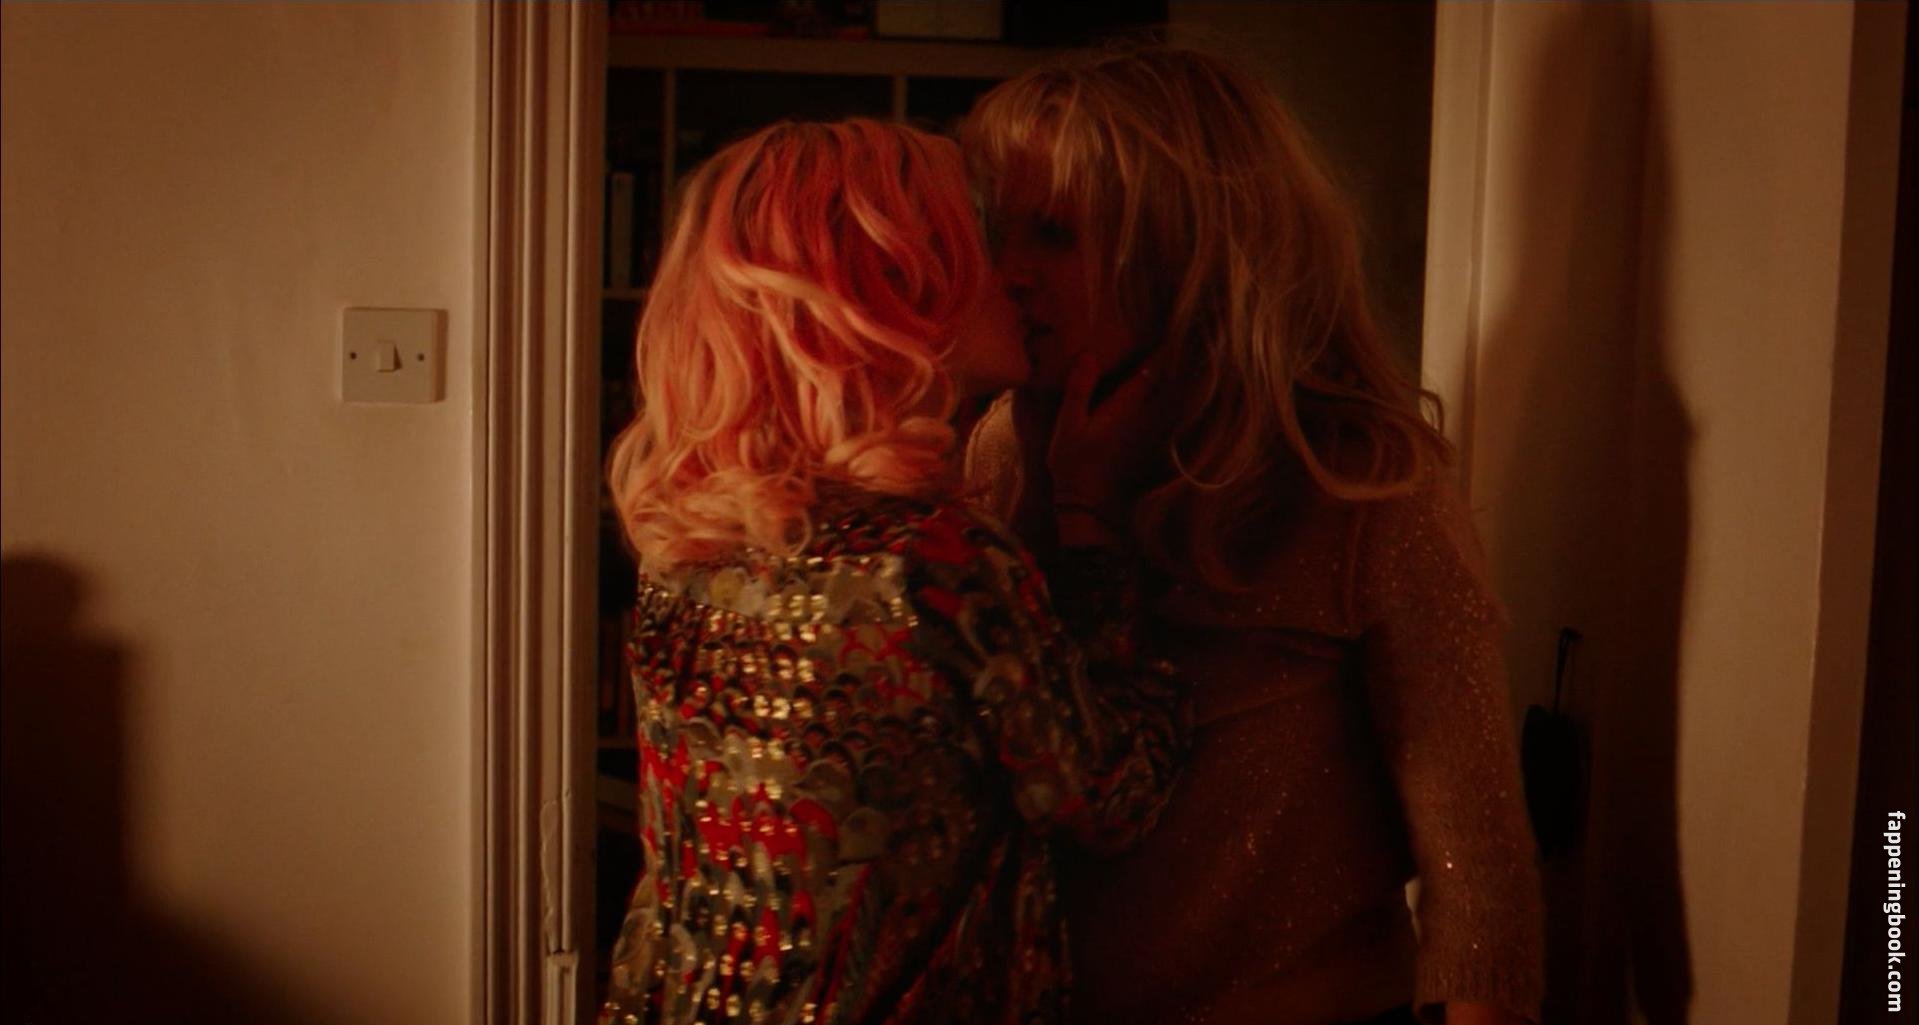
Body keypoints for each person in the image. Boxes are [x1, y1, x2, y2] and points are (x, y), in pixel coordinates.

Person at [960, 44, 1545, 1025]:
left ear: (1181, 250)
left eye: (1053, 233)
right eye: (1000, 230)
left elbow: (1476, 861)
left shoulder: (1360, 483)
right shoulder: (1002, 451)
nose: (1006, 272)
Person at [597, 118, 1185, 1025]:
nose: (1012, 275)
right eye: (978, 242)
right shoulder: (934, 561)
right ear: (894, 292)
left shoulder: (686, 543)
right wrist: (1091, 516)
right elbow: (1108, 798)